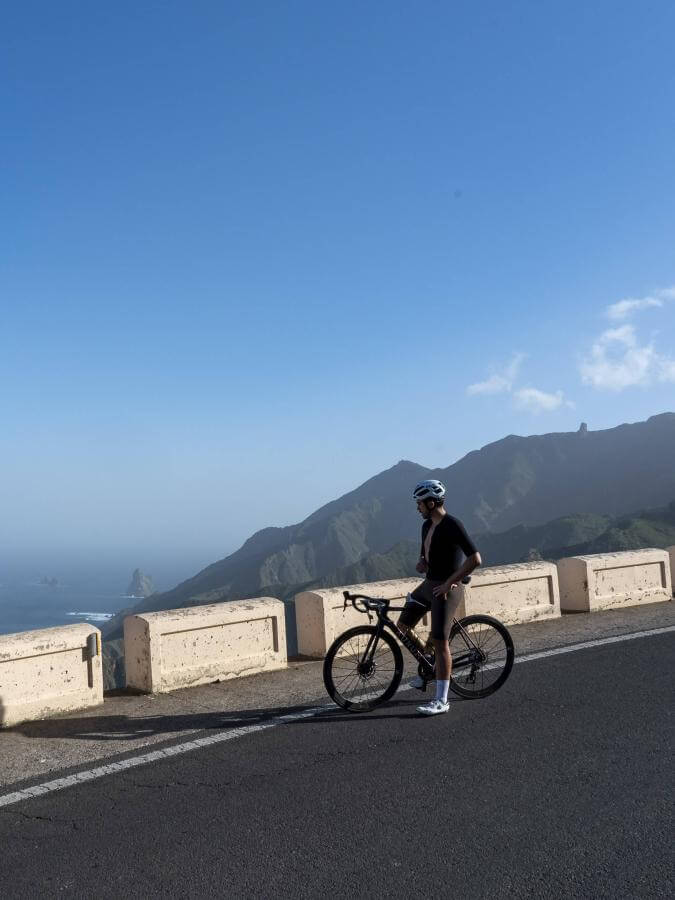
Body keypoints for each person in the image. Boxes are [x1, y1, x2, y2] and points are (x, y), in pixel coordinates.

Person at [397, 479, 482, 716]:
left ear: (432, 502)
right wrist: (422, 563)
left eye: (420, 504)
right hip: (429, 585)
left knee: (441, 641)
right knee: (402, 625)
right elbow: (425, 556)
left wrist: (448, 583)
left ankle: (441, 701)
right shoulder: (426, 526)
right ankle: (428, 660)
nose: (417, 508)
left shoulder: (453, 525)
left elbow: (475, 559)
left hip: (447, 589)